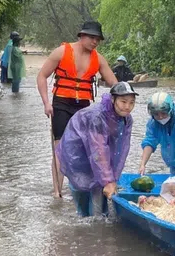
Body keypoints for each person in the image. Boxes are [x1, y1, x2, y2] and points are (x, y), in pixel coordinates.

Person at [36, 20, 118, 198]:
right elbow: (41, 76)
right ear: (81, 35)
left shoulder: (99, 59)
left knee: (84, 148)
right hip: (61, 104)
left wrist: (123, 100)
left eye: (98, 39)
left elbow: (114, 83)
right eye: (91, 37)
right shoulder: (62, 52)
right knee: (59, 148)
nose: (95, 42)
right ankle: (57, 191)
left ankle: (81, 188)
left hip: (83, 108)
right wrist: (46, 103)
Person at [56, 82, 138, 216]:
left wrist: (113, 179)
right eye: (123, 102)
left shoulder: (127, 120)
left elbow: (122, 150)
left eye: (131, 103)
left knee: (100, 198)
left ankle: (97, 223)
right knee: (83, 195)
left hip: (98, 151)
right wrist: (107, 180)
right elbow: (98, 150)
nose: (128, 107)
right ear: (113, 99)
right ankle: (87, 223)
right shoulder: (98, 117)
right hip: (78, 149)